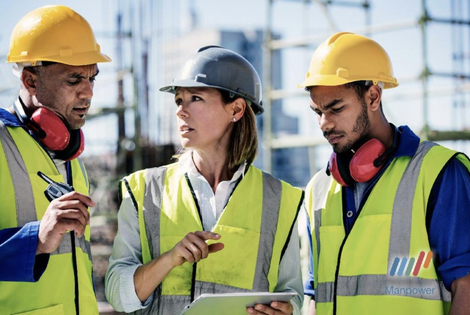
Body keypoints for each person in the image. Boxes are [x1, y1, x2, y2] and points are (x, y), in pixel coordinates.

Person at [105, 46, 304, 315]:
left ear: (236, 108)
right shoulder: (143, 190)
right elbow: (118, 295)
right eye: (178, 100)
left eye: (195, 98)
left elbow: (293, 295)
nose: (181, 111)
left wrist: (286, 311)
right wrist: (169, 259)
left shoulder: (281, 199)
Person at [298, 32, 470, 315]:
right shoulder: (318, 189)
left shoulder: (439, 173)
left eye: (336, 108)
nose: (323, 124)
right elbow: (316, 293)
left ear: (373, 97)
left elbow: (466, 285)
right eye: (317, 112)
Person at [0, 5, 111, 314]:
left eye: (92, 79)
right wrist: (35, 239)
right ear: (31, 80)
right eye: (74, 80)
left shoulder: (71, 155)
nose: (88, 93)